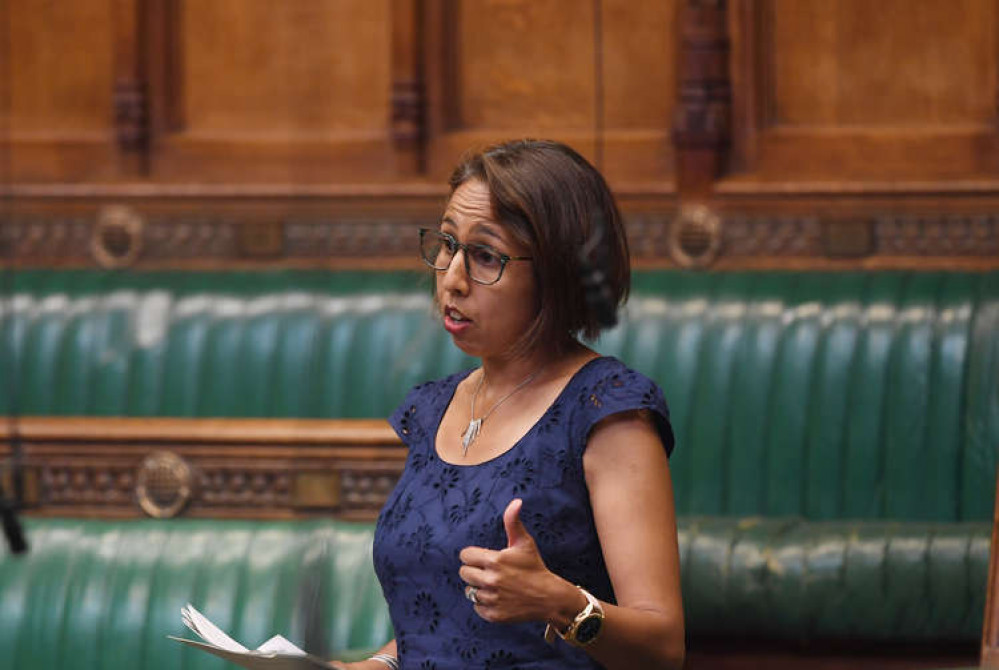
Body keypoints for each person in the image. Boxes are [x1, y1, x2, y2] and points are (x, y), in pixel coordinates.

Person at [332, 139, 684, 669]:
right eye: (447, 244)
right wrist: (377, 665)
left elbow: (662, 649)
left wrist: (559, 601)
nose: (452, 278)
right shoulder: (432, 410)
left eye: (486, 257)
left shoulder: (605, 410)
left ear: (557, 273)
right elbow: (442, 623)